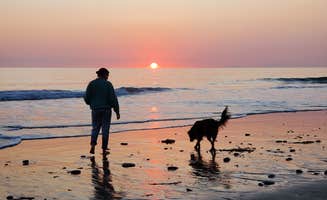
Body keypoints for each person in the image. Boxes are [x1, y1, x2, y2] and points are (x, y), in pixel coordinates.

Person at [84, 67, 120, 154]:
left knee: (95, 128)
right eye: (107, 75)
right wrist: (117, 111)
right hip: (106, 110)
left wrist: (91, 103)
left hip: (95, 109)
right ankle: (104, 148)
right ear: (104, 75)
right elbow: (113, 99)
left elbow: (86, 97)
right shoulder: (108, 84)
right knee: (105, 129)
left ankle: (93, 146)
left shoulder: (91, 83)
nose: (108, 77)